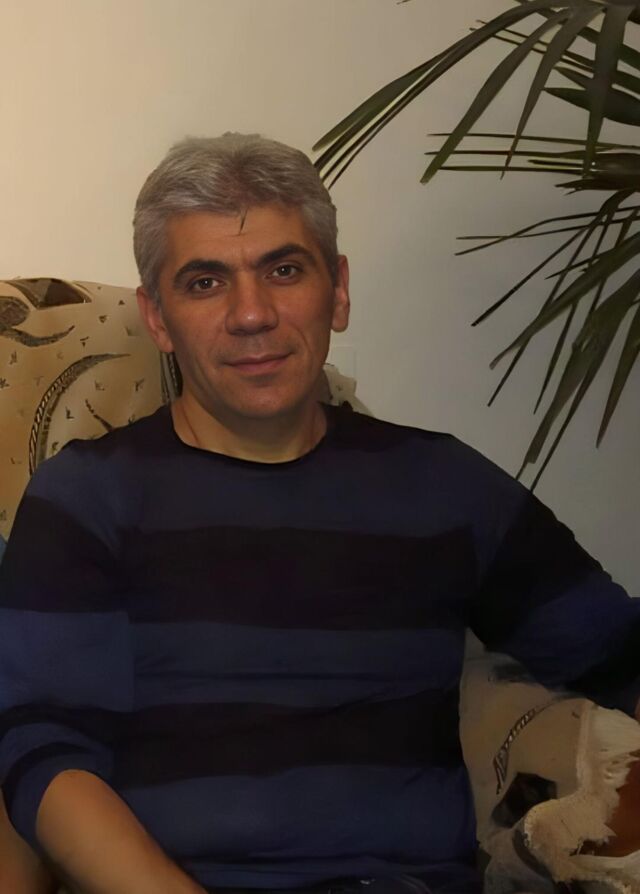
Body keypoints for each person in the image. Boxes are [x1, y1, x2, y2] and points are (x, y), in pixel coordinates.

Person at [0, 133, 639, 894]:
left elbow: (616, 651)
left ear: (337, 290)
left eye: (284, 270)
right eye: (205, 282)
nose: (251, 314)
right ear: (158, 318)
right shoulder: (87, 498)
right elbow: (45, 753)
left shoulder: (443, 486)